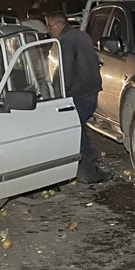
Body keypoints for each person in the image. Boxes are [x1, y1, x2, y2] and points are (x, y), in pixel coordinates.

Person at [45, 11, 106, 184]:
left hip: (79, 91)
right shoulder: (81, 35)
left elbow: (67, 69)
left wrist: (62, 91)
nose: (49, 31)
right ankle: (88, 161)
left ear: (59, 25)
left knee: (75, 127)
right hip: (91, 89)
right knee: (80, 125)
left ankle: (85, 165)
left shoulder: (66, 40)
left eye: (50, 26)